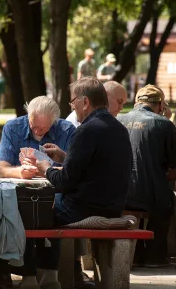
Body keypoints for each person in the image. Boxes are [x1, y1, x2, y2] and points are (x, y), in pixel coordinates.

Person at [0, 96, 76, 289]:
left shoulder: (66, 130)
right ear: (28, 116)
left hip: (54, 193)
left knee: (53, 207)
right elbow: (2, 169)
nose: (37, 131)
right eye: (34, 125)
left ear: (53, 122)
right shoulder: (13, 127)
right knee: (23, 209)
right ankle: (28, 275)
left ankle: (50, 274)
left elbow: (74, 171)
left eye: (43, 128)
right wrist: (19, 172)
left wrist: (48, 170)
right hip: (21, 192)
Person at [36, 76, 133, 241]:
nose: (73, 107)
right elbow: (98, 166)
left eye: (73, 102)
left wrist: (45, 168)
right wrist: (64, 157)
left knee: (28, 209)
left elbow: (64, 182)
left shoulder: (86, 130)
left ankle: (38, 265)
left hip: (81, 210)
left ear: (85, 102)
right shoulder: (119, 129)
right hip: (113, 208)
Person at [117, 85, 176, 267]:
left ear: (138, 102)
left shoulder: (119, 119)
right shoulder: (163, 123)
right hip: (151, 194)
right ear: (161, 104)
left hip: (120, 193)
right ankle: (154, 257)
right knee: (166, 201)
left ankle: (136, 255)